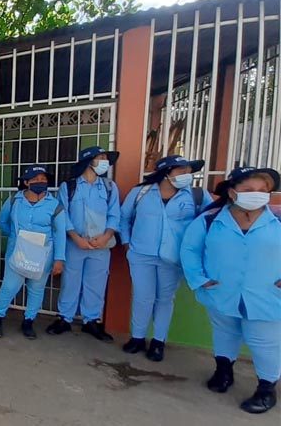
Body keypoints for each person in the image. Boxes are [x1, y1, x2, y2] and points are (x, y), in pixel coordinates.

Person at [180, 166, 281, 414]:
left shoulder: (277, 220)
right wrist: (198, 278)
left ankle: (266, 389)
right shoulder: (210, 220)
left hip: (266, 295)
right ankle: (223, 372)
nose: (257, 194)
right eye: (249, 190)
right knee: (225, 333)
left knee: (264, 342)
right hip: (221, 292)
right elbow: (189, 250)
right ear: (233, 193)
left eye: (262, 190)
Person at [119, 155, 213, 361]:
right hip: (141, 254)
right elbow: (124, 218)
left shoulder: (197, 195)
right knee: (142, 298)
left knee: (164, 300)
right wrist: (127, 243)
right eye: (181, 171)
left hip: (173, 257)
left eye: (189, 171)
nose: (187, 176)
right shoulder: (141, 192)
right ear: (166, 172)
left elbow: (210, 222)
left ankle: (158, 342)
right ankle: (137, 338)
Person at [47, 146, 121, 341]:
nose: (105, 161)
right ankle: (65, 318)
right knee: (70, 282)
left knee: (96, 283)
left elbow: (115, 215)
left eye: (106, 158)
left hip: (101, 245)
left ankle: (91, 320)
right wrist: (76, 238)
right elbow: (63, 216)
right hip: (75, 244)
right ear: (89, 161)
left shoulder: (110, 187)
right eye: (101, 158)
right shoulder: (68, 187)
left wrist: (106, 237)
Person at [0, 165, 66, 340]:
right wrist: (15, 237)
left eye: (43, 179)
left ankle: (28, 322)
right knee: (9, 287)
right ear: (26, 182)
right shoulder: (14, 200)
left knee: (36, 289)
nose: (40, 182)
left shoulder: (54, 205)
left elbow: (60, 233)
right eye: (35, 179)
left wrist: (59, 259)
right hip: (17, 253)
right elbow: (2, 221)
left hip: (43, 254)